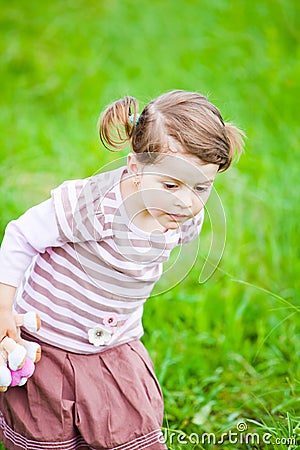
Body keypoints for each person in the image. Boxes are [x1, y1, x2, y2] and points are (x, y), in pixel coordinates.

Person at [0, 90, 245, 450]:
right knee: (48, 427)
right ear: (134, 168)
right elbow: (21, 236)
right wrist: (4, 308)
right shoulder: (90, 204)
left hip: (116, 341)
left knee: (129, 425)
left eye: (201, 187)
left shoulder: (183, 216)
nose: (186, 201)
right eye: (170, 185)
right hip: (50, 336)